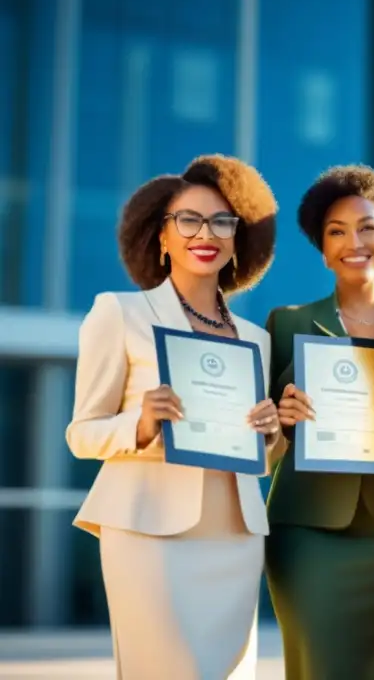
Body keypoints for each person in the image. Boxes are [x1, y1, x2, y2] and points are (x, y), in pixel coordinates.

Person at [66, 155, 282, 679]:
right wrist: (139, 423)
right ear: (160, 236)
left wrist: (273, 436)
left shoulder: (255, 339)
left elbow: (259, 460)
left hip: (233, 536)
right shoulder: (119, 312)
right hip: (148, 535)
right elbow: (81, 434)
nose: (204, 233)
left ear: (237, 240)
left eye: (222, 222)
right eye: (187, 220)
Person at [263, 165, 374, 679]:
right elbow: (261, 448)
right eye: (337, 231)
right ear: (323, 249)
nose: (355, 241)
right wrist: (280, 424)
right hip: (311, 537)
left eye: (368, 227)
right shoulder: (287, 324)